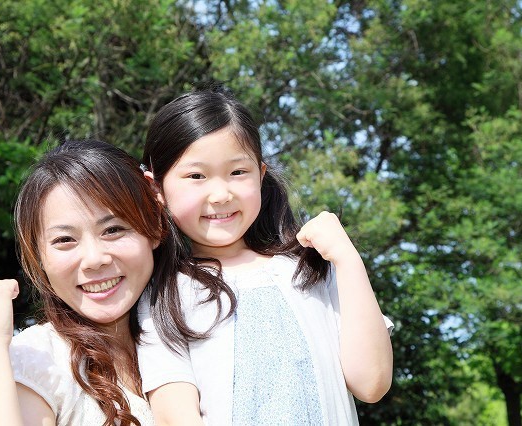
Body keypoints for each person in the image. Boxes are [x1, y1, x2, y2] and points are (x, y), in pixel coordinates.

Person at [137, 87, 394, 425]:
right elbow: (176, 415)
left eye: (237, 172)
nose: (221, 194)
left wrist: (348, 260)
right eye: (196, 176)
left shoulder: (310, 268)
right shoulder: (162, 297)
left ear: (260, 174)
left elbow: (371, 383)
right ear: (156, 189)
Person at [0, 139, 189, 425]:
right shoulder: (38, 359)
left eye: (113, 230)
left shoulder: (195, 325)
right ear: (39, 256)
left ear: (155, 227)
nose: (93, 259)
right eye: (65, 240)